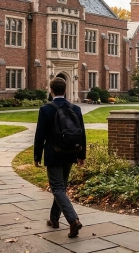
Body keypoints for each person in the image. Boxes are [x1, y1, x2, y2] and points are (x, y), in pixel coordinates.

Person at [34, 77, 86, 238]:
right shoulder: (75, 108)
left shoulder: (46, 110)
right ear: (65, 90)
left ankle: (73, 220)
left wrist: (37, 155)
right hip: (70, 153)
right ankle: (54, 219)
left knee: (57, 188)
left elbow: (39, 136)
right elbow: (82, 134)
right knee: (60, 188)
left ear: (51, 90)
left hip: (54, 154)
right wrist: (81, 155)